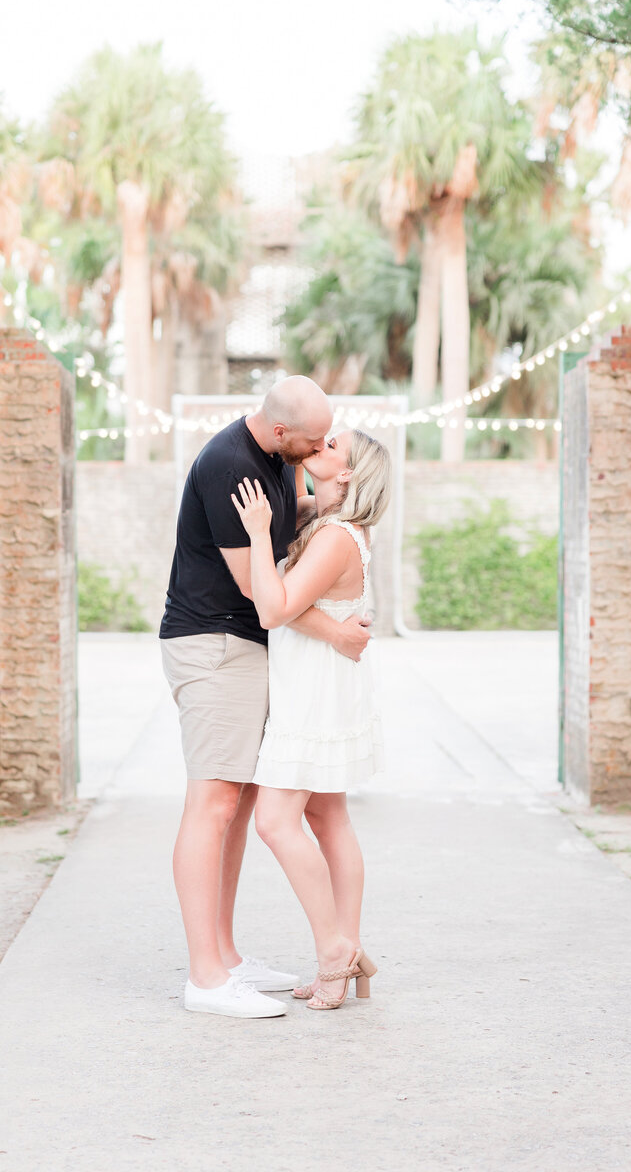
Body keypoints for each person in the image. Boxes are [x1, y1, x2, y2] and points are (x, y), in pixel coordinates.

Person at [159, 378, 373, 1019]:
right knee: (213, 801)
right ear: (282, 433)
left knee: (242, 798)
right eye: (315, 439)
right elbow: (261, 591)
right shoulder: (231, 465)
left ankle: (225, 955)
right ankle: (205, 977)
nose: (320, 447)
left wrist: (326, 509)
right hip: (214, 643)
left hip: (249, 648)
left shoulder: (280, 462)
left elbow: (283, 539)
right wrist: (335, 630)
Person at [231, 428, 391, 1011]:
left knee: (275, 821)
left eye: (330, 448)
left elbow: (273, 608)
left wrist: (252, 533)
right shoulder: (329, 526)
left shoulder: (333, 537)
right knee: (328, 818)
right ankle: (347, 950)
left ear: (346, 475)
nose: (317, 446)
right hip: (323, 683)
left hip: (315, 695)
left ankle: (333, 953)